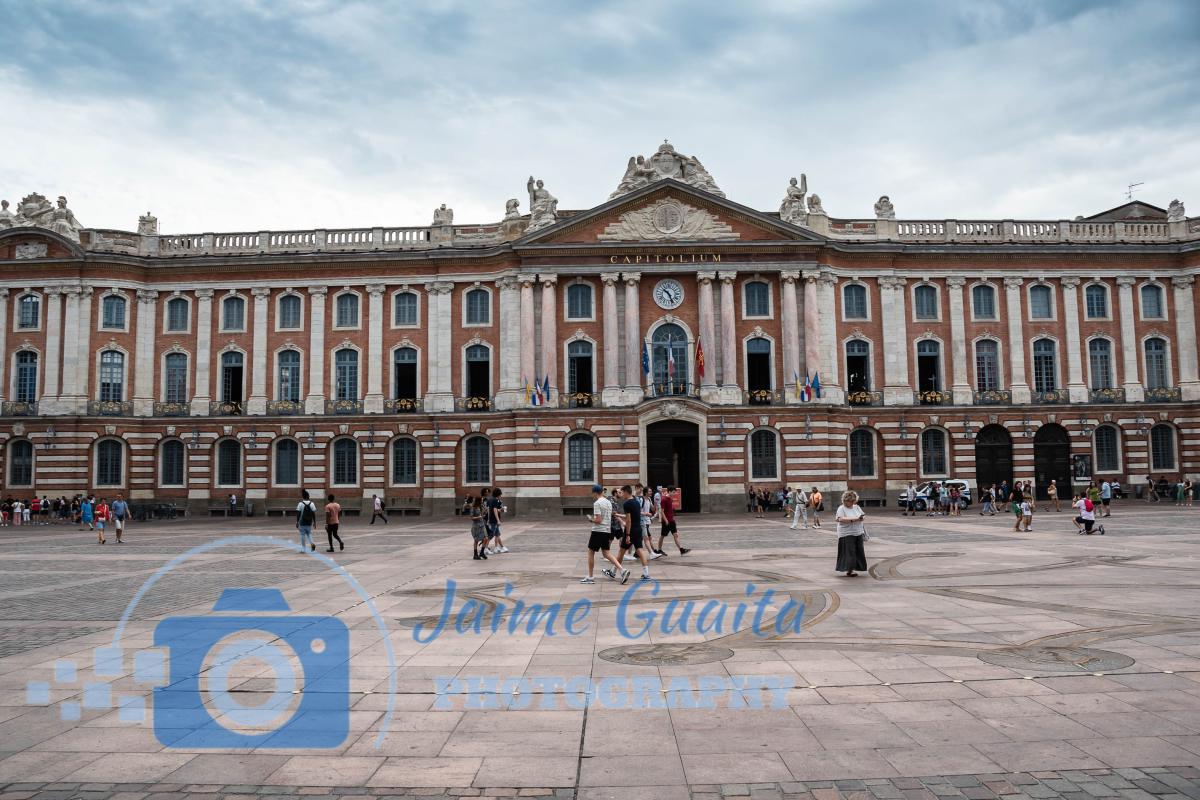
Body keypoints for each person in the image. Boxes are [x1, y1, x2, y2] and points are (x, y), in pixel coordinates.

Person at [584, 484, 625, 583]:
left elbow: (598, 520)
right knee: (606, 553)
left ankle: (590, 577)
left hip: (598, 531)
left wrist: (591, 520)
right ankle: (622, 570)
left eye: (592, 493)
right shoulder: (608, 502)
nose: (592, 495)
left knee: (590, 552)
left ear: (595, 492)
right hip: (607, 530)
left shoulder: (597, 503)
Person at [614, 485, 650, 582]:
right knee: (640, 550)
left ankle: (613, 571)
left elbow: (629, 520)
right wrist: (618, 515)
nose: (621, 494)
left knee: (621, 552)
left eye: (622, 492)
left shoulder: (627, 504)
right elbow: (632, 516)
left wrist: (628, 535)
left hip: (630, 530)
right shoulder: (636, 502)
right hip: (638, 529)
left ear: (626, 492)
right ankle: (646, 574)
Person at [834, 490, 868, 577]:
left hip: (858, 532)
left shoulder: (856, 507)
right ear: (845, 500)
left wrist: (862, 517)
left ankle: (855, 568)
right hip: (846, 533)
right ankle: (850, 570)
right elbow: (839, 519)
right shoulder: (841, 508)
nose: (852, 503)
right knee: (850, 552)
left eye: (853, 501)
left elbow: (863, 515)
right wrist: (854, 520)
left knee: (858, 551)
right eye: (850, 501)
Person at [654, 484, 690, 555]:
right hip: (666, 521)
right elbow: (661, 511)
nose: (674, 494)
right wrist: (665, 520)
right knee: (662, 536)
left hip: (671, 520)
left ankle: (681, 550)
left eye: (674, 492)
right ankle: (659, 550)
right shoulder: (664, 499)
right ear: (669, 491)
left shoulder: (670, 499)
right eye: (673, 492)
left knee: (675, 534)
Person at [486, 487, 508, 554]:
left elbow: (489, 509)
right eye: (500, 494)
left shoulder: (490, 499)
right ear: (498, 494)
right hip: (494, 519)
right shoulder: (495, 500)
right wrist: (498, 520)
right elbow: (494, 510)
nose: (501, 496)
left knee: (497, 534)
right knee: (491, 534)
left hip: (491, 518)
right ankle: (485, 548)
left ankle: (500, 547)